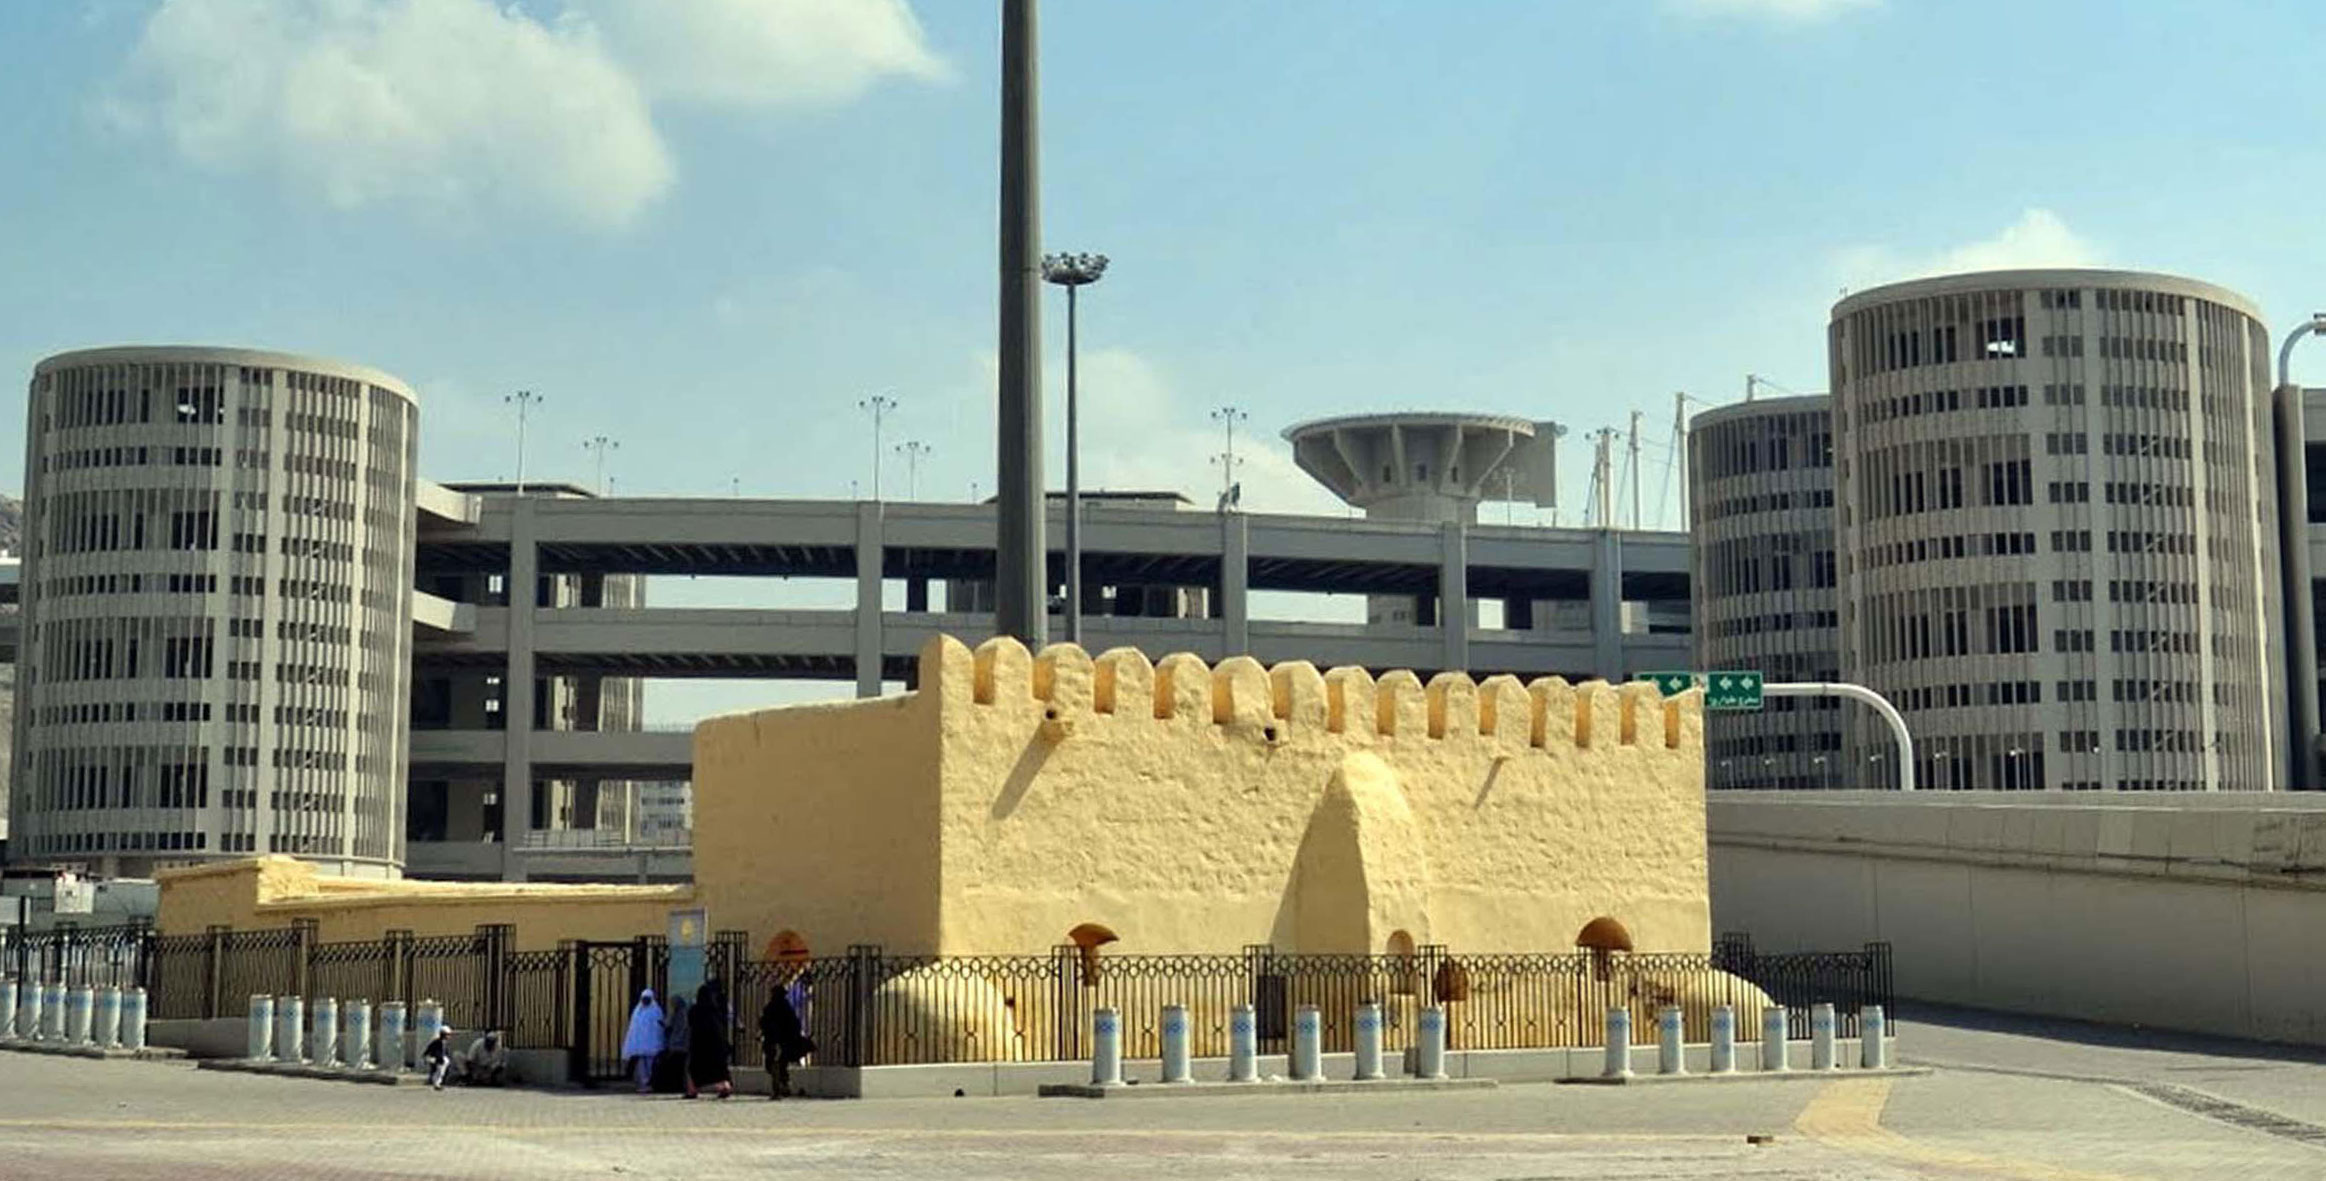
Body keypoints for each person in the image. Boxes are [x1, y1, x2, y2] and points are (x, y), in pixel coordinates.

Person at [758, 984, 813, 1100]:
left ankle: (779, 1089)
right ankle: (783, 1086)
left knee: (774, 1065)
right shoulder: (786, 1007)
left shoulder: (771, 1007)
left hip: (774, 1041)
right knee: (780, 1065)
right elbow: (795, 1024)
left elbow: (764, 1023)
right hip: (783, 1041)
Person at [686, 979, 734, 1100]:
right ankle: (725, 1087)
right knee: (719, 1069)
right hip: (716, 1045)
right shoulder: (715, 1010)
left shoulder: (695, 1010)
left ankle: (692, 1090)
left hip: (699, 1045)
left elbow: (691, 1023)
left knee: (694, 1068)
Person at [621, 988, 664, 1094]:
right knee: (641, 1066)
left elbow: (658, 1027)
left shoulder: (656, 1010)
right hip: (640, 1045)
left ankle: (650, 1083)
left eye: (647, 999)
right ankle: (643, 1084)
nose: (645, 1001)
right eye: (644, 998)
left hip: (652, 1044)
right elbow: (633, 1028)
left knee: (650, 1065)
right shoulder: (638, 1011)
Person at [422, 1025, 454, 1091]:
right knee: (440, 1069)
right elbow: (433, 1052)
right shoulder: (438, 1042)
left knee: (443, 1067)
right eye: (447, 1035)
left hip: (438, 1059)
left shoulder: (443, 1043)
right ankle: (436, 1083)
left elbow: (445, 1053)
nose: (449, 1036)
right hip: (433, 1058)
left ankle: (437, 1082)